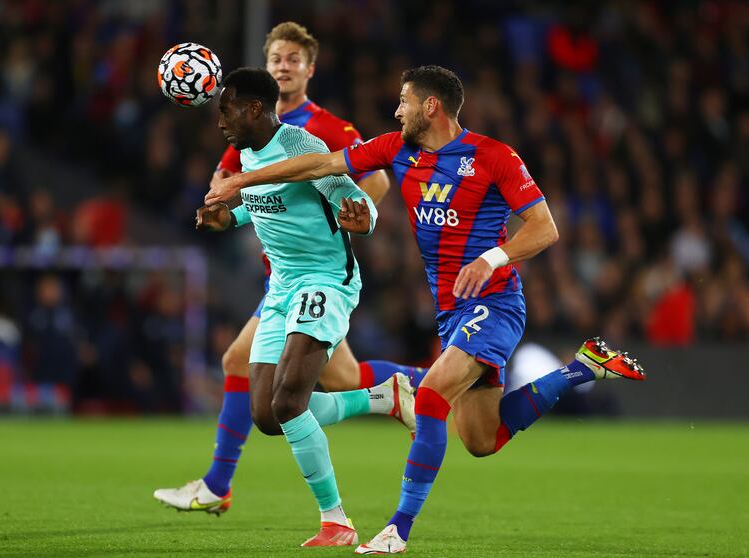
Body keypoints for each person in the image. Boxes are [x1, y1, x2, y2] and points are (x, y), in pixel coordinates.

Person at [204, 65, 646, 554]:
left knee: (432, 396)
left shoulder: (493, 156)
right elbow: (319, 165)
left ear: (430, 106)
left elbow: (545, 228)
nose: (397, 110)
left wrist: (491, 256)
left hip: (495, 301)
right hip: (451, 309)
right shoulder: (397, 148)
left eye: (404, 101)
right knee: (483, 438)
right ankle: (582, 369)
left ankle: (397, 530)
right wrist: (242, 183)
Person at [154, 22, 425, 515]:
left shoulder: (322, 132)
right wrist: (224, 212)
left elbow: (373, 183)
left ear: (309, 69)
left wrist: (348, 222)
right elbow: (239, 190)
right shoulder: (246, 128)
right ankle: (411, 390)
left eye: (292, 59)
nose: (282, 65)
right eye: (275, 57)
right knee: (330, 381)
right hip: (281, 275)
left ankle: (221, 484)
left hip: (318, 273)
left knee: (262, 377)